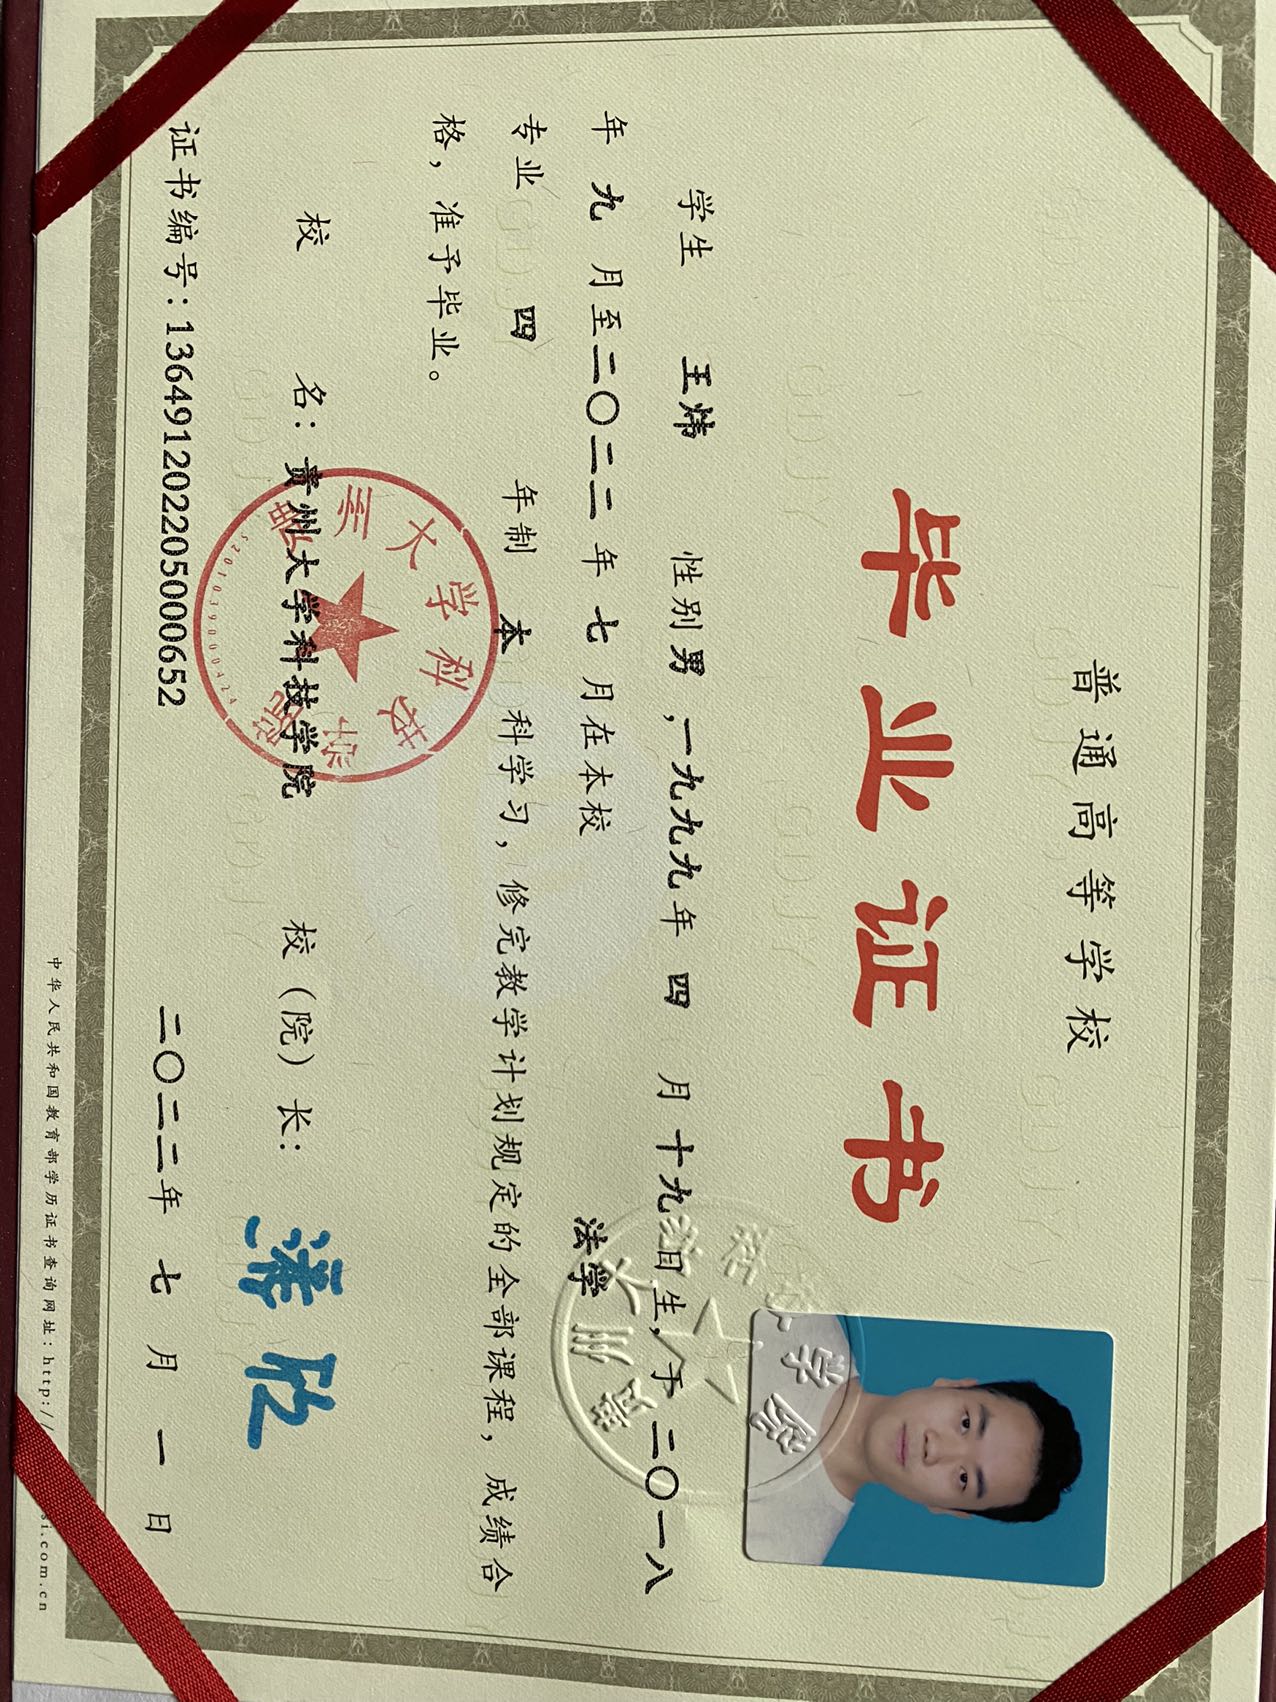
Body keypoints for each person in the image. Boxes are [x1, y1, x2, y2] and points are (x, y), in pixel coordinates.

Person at [744, 1311, 1083, 1564]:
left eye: (963, 1478)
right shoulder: (796, 1312)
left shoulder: (781, 1553)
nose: (935, 1448)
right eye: (966, 1422)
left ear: (947, 1509)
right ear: (954, 1385)